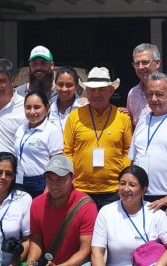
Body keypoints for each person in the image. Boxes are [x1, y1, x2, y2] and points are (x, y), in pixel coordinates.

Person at [21, 155, 98, 266]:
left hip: (78, 265)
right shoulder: (37, 204)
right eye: (50, 179)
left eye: (61, 179)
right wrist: (30, 263)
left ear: (72, 178)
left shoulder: (86, 205)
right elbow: (37, 240)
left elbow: (85, 250)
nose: (54, 184)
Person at [63, 67, 133, 209]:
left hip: (113, 190)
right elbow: (67, 151)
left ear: (111, 91)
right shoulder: (74, 116)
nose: (96, 94)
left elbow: (128, 151)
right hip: (81, 189)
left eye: (101, 89)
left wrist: (123, 181)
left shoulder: (122, 117)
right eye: (91, 89)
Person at [128, 71, 167, 235]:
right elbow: (133, 158)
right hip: (140, 197)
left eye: (159, 94)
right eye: (150, 94)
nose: (154, 99)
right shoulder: (143, 118)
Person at [13, 90, 63, 197]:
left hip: (40, 182)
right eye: (28, 107)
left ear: (47, 108)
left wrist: (48, 188)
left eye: (37, 107)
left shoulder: (52, 130)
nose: (32, 111)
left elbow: (56, 161)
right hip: (19, 180)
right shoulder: (21, 129)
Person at [125, 43, 167, 127]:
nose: (140, 67)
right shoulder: (133, 94)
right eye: (137, 63)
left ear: (158, 63)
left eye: (145, 62)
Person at [50, 66, 87, 133]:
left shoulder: (84, 107)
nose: (64, 89)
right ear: (55, 85)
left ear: (76, 86)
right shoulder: (48, 108)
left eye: (69, 85)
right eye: (60, 84)